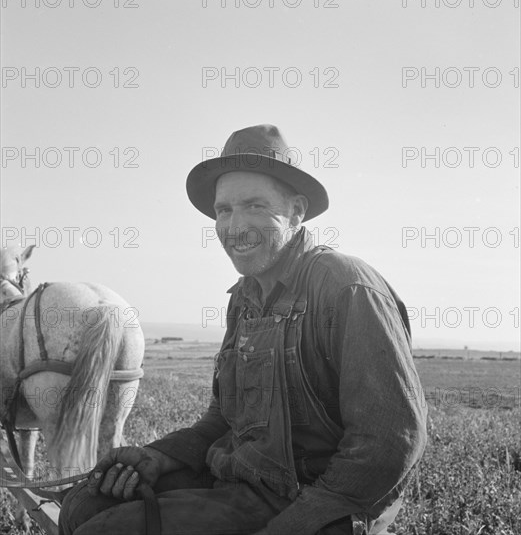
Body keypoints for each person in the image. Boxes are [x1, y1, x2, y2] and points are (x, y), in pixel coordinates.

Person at [59, 124, 427, 535]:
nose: (235, 227)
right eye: (224, 210)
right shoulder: (245, 298)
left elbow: (390, 442)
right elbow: (224, 421)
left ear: (296, 211)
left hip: (322, 504)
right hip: (243, 485)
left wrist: (295, 524)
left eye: (255, 206)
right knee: (82, 503)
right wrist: (158, 457)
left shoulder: (345, 287)